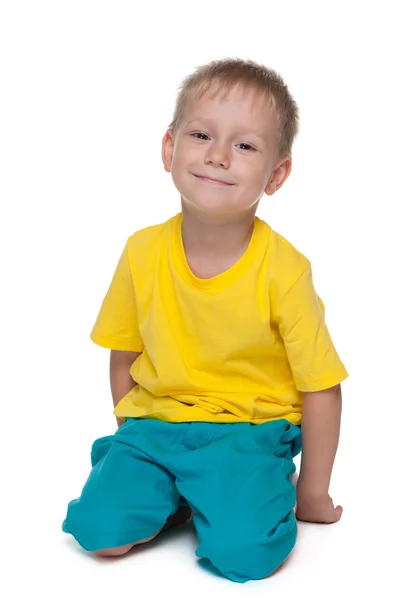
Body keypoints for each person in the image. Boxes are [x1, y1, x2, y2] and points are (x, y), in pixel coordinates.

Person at [62, 57, 348, 583]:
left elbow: (321, 387)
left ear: (276, 174)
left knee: (243, 557)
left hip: (249, 431)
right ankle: (169, 491)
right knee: (97, 533)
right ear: (169, 148)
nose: (218, 156)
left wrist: (313, 493)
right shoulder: (142, 251)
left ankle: (246, 490)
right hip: (156, 425)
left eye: (244, 145)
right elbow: (123, 351)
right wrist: (130, 433)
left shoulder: (284, 271)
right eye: (201, 135)